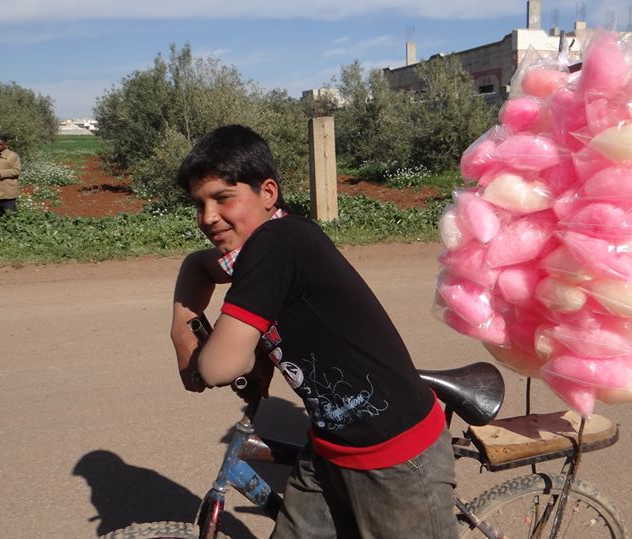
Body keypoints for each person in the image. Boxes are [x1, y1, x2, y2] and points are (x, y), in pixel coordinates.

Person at [170, 125, 457, 538]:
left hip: (395, 456)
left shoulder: (276, 243)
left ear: (268, 193)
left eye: (223, 198)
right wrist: (181, 331)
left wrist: (207, 350)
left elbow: (218, 366)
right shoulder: (273, 241)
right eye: (199, 204)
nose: (208, 216)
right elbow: (197, 266)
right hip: (330, 447)